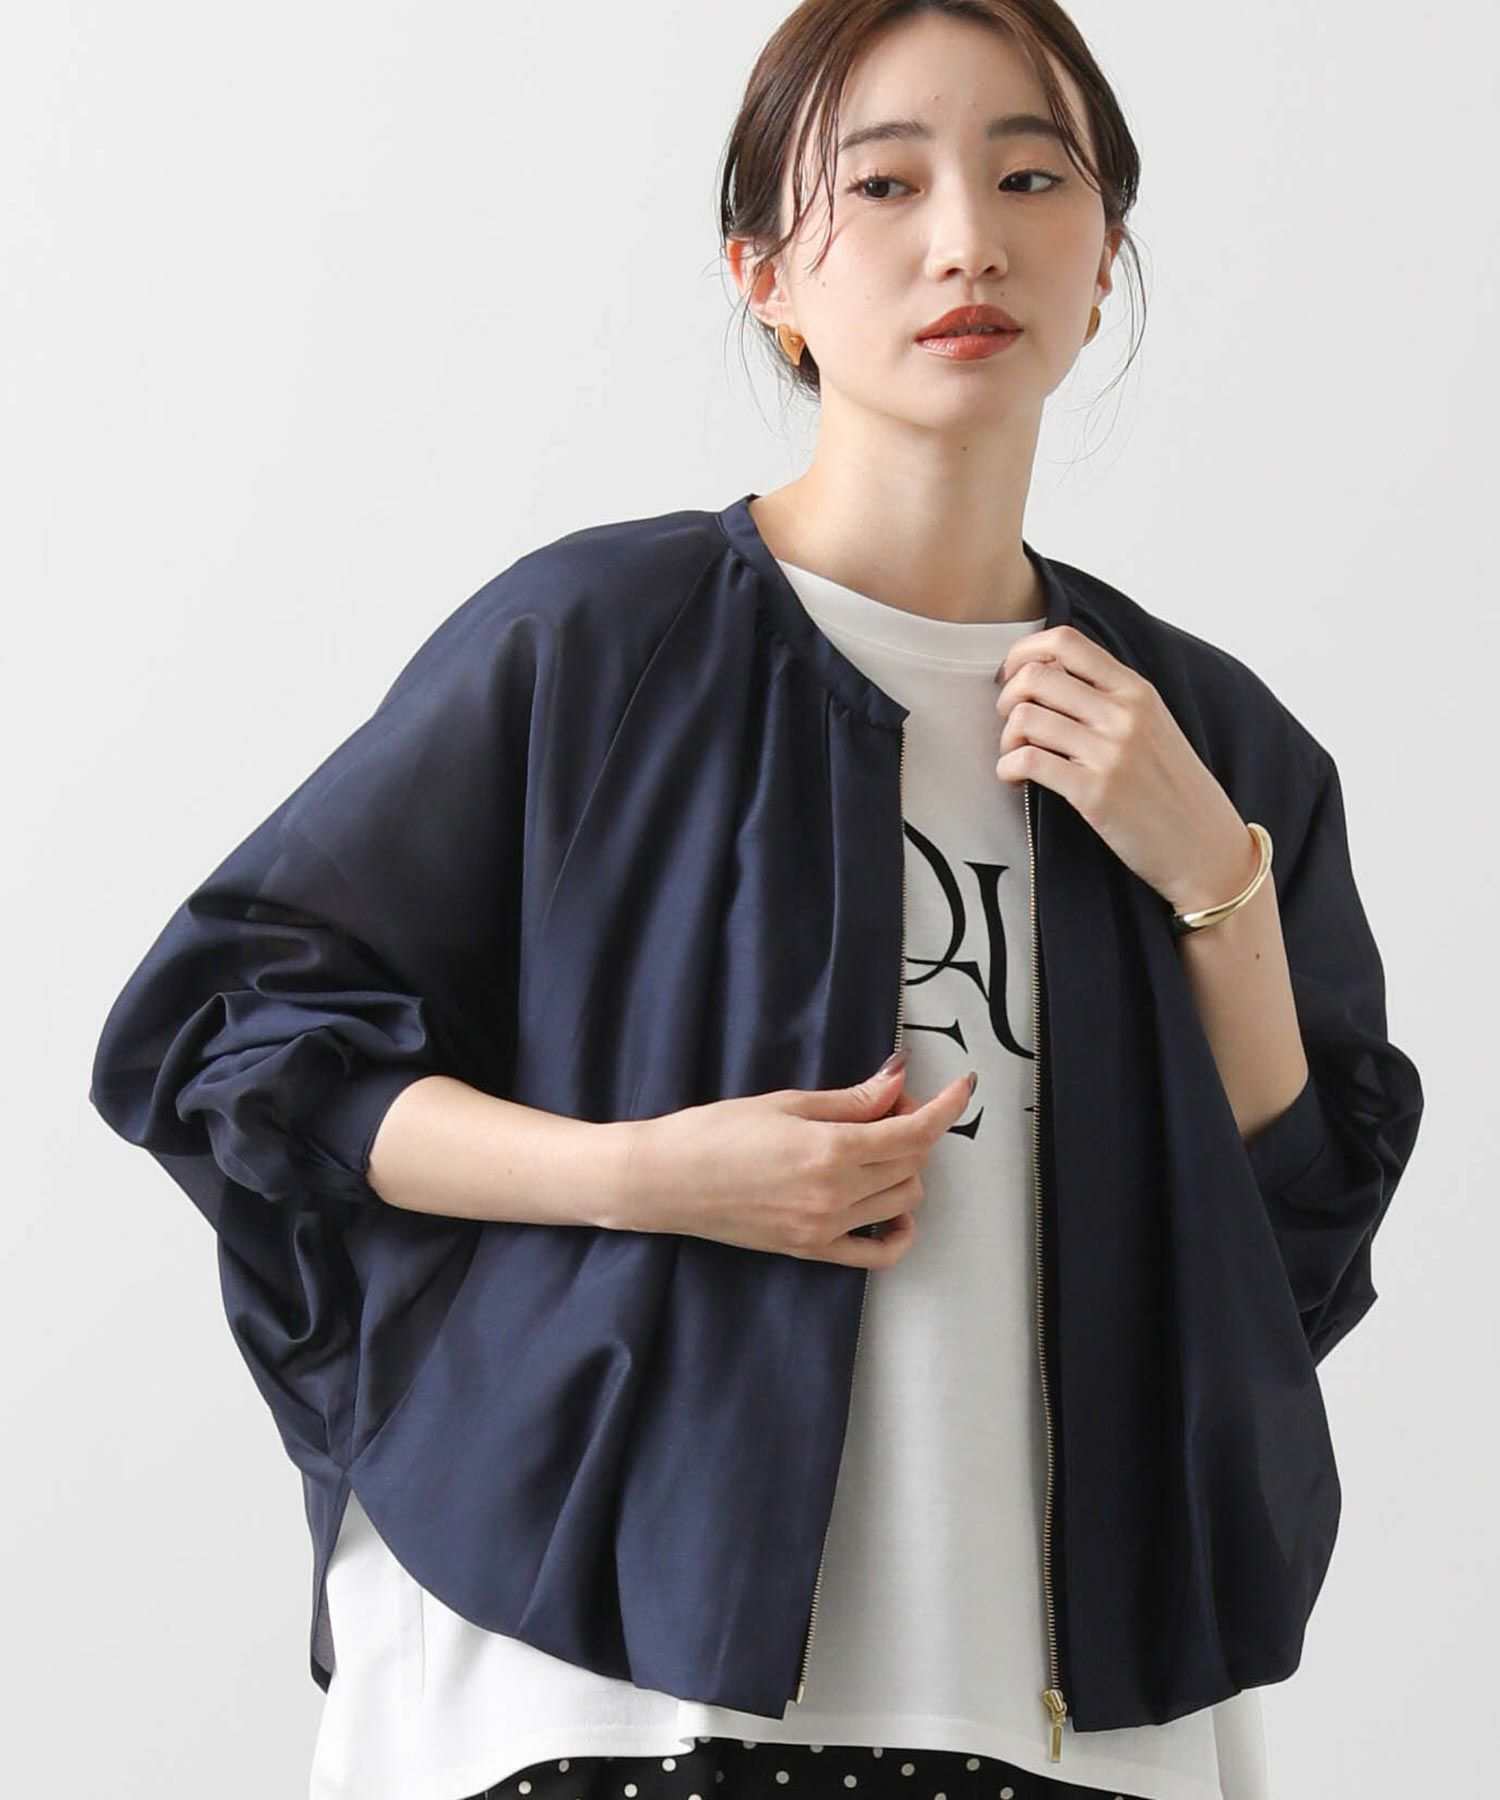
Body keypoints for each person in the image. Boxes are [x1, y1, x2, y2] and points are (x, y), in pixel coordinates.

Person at [88, 5, 1422, 1800]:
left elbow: (1289, 1249)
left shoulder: (1212, 740)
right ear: (764, 275)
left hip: (1064, 1704)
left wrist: (1217, 881)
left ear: (1106, 256)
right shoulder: (596, 646)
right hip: (602, 1678)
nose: (969, 239)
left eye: (1034, 178)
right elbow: (230, 1042)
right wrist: (647, 1176)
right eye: (884, 184)